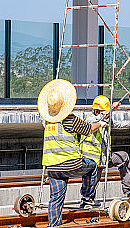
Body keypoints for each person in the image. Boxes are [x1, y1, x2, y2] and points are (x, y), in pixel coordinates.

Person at [38, 79, 104, 226]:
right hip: (71, 164)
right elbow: (89, 128)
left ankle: (54, 224)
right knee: (92, 166)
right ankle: (87, 198)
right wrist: (100, 123)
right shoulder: (70, 119)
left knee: (56, 199)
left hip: (53, 168)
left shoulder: (47, 122)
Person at [79, 95, 130, 205]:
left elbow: (119, 124)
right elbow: (98, 120)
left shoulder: (106, 120)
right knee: (92, 181)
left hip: (104, 157)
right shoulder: (89, 119)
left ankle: (128, 187)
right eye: (104, 111)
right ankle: (86, 200)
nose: (107, 114)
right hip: (92, 159)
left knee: (123, 157)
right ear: (97, 111)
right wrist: (111, 109)